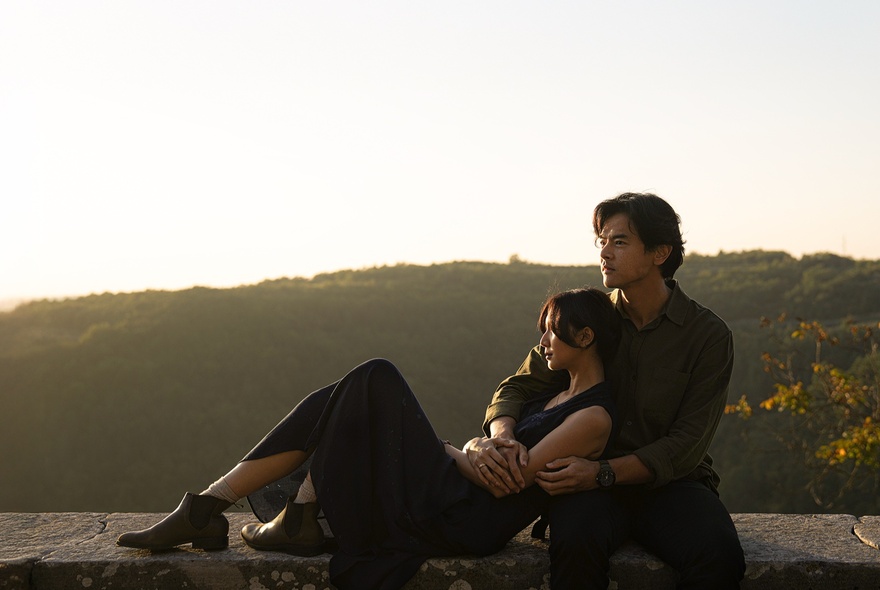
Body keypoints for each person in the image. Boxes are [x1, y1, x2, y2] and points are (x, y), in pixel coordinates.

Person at [117, 288, 621, 590]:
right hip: (453, 491)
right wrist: (476, 445)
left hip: (467, 516)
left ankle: (239, 513)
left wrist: (456, 447)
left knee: (375, 376)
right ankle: (213, 507)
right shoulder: (553, 392)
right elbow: (501, 451)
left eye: (553, 331)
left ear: (586, 337)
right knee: (339, 400)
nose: (543, 341)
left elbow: (507, 483)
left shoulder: (593, 415)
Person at [469, 193, 746, 589]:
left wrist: (602, 473)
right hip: (585, 483)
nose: (604, 252)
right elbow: (518, 385)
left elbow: (686, 443)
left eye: (619, 242)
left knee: (719, 556)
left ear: (660, 252)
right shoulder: (589, 317)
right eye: (602, 241)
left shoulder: (707, 335)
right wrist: (502, 436)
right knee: (574, 545)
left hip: (667, 484)